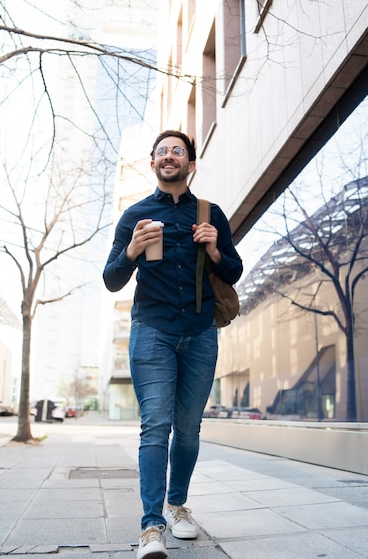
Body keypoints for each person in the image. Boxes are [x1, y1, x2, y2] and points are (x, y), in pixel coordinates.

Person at [103, 130, 243, 559]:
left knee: (188, 429)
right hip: (152, 331)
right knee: (155, 427)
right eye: (162, 151)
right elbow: (111, 279)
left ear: (190, 163)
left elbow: (234, 271)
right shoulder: (136, 214)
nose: (169, 156)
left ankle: (178, 505)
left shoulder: (210, 212)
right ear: (153, 164)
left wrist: (216, 250)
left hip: (200, 331)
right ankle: (151, 526)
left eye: (177, 151)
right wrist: (131, 251)